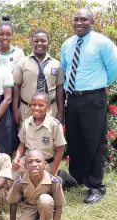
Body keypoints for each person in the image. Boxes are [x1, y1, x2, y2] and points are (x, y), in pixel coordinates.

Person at [61, 8, 117, 204]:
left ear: (91, 21)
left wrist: (96, 87)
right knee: (74, 140)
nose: (79, 23)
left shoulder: (102, 43)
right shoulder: (67, 44)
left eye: (83, 19)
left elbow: (112, 70)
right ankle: (78, 178)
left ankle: (96, 186)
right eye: (76, 19)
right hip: (73, 99)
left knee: (95, 142)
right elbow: (66, 69)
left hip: (94, 99)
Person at [7, 149, 66, 220]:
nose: (34, 164)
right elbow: (13, 201)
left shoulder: (53, 181)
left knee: (45, 200)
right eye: (30, 162)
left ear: (45, 164)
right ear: (25, 166)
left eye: (38, 161)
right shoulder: (19, 181)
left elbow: (59, 206)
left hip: (46, 207)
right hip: (29, 208)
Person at [13, 30, 64, 126]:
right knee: (26, 138)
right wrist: (15, 110)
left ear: (48, 43)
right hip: (27, 110)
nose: (39, 43)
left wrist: (60, 111)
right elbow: (16, 87)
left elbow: (59, 89)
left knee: (49, 138)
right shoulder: (22, 63)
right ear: (31, 43)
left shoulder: (56, 64)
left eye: (43, 41)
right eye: (36, 41)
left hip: (50, 110)